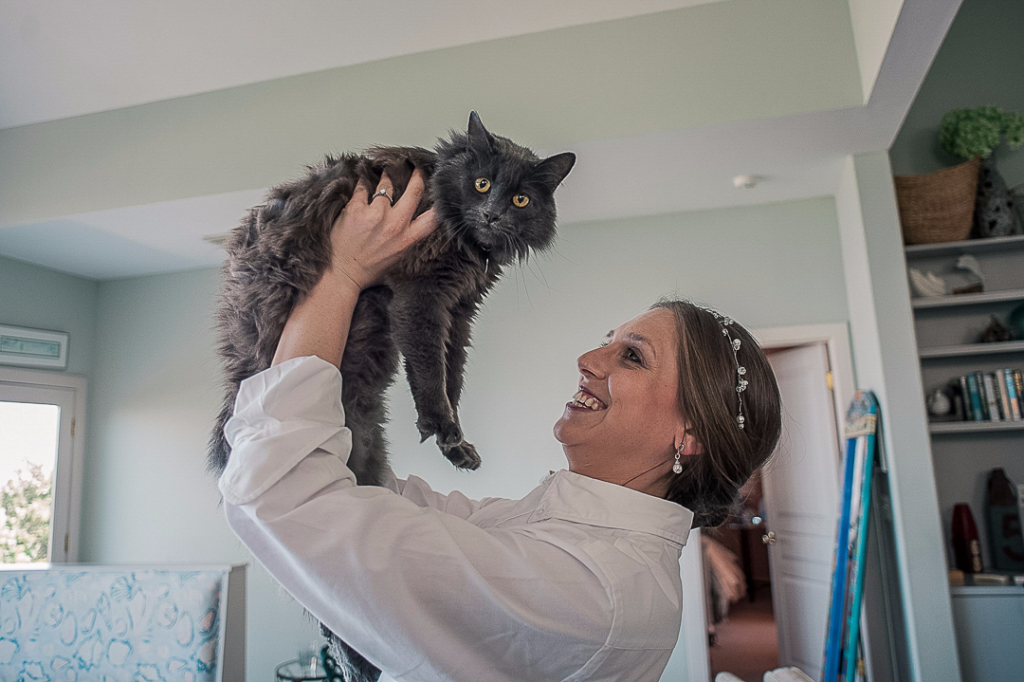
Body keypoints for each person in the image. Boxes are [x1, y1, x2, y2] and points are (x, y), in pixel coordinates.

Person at [219, 170, 783, 682]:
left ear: (690, 435)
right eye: (608, 340)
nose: (589, 359)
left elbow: (282, 495)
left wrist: (340, 274)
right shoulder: (566, 531)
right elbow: (391, 505)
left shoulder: (596, 590)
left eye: (632, 357)